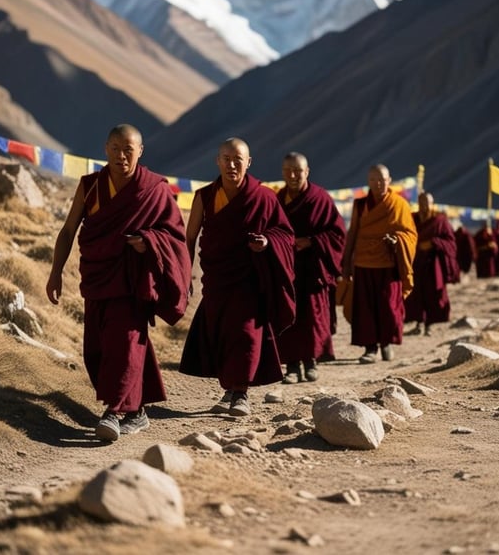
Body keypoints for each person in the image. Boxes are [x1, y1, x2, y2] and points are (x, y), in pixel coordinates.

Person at [46, 124, 191, 442]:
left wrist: (149, 242)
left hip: (133, 281)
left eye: (128, 149)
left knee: (124, 345)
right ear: (105, 149)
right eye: (115, 148)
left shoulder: (154, 189)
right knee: (95, 351)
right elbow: (69, 230)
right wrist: (55, 271)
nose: (121, 155)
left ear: (140, 151)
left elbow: (174, 235)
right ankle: (136, 412)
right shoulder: (90, 186)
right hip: (97, 277)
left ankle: (114, 412)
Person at [179, 138, 295, 417]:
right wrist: (184, 275)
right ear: (217, 161)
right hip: (218, 278)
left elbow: (285, 234)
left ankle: (241, 392)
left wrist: (267, 243)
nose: (232, 164)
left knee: (246, 334)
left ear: (249, 162)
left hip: (250, 280)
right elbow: (190, 237)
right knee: (222, 334)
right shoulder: (204, 196)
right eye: (226, 158)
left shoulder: (264, 197)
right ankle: (230, 388)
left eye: (238, 159)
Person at [276, 152, 346, 383]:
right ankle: (292, 367)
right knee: (289, 316)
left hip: (314, 269)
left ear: (307, 172)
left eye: (298, 171)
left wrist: (312, 241)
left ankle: (311, 362)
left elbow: (337, 234)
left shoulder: (320, 198)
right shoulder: (278, 199)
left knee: (313, 319)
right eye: (288, 171)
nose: (293, 175)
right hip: (287, 270)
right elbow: (271, 229)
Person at [341, 164, 417, 363]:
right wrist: (346, 263)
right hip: (364, 262)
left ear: (389, 181)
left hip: (388, 264)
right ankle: (370, 348)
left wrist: (397, 241)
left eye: (382, 180)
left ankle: (387, 343)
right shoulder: (360, 205)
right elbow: (352, 234)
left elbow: (410, 234)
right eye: (373, 180)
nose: (378, 184)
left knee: (388, 307)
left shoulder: (399, 204)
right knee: (365, 309)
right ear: (368, 182)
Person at [404, 192, 458, 336]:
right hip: (414, 263)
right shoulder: (412, 219)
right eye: (421, 203)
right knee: (415, 293)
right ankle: (419, 323)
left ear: (433, 204)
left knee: (433, 294)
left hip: (433, 265)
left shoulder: (440, 221)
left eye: (427, 203)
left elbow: (451, 243)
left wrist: (433, 243)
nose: (424, 206)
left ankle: (430, 324)